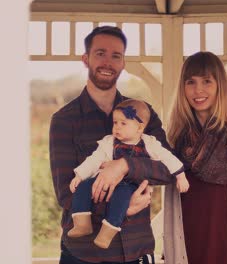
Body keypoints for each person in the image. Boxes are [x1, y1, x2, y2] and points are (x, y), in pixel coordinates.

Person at [50, 26, 175, 264]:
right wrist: (120, 208)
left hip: (136, 250)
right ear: (85, 59)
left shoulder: (143, 115)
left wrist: (126, 165)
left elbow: (168, 168)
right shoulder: (65, 120)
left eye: (116, 56)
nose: (108, 62)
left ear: (123, 63)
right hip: (84, 255)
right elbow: (66, 193)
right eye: (100, 53)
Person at [163, 51, 227, 264]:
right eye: (190, 82)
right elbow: (169, 200)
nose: (198, 90)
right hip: (187, 243)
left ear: (220, 84)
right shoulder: (175, 134)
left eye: (207, 81)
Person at [67, 99, 189, 249]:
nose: (117, 127)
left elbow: (168, 158)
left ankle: (108, 231)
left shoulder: (150, 144)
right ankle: (82, 222)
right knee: (83, 187)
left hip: (131, 183)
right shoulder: (108, 142)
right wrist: (79, 175)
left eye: (123, 123)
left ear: (139, 128)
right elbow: (94, 159)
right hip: (104, 179)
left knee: (122, 196)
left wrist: (180, 175)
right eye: (115, 122)